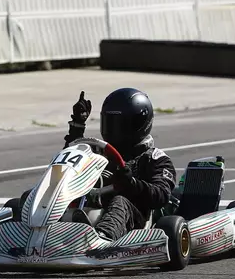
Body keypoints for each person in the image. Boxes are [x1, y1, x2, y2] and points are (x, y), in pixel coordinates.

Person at [64, 88, 176, 241]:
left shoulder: (155, 158)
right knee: (34, 196)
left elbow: (161, 195)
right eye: (110, 123)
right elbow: (68, 169)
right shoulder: (99, 153)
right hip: (92, 206)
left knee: (120, 201)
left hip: (135, 218)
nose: (114, 130)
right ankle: (35, 232)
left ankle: (102, 239)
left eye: (120, 124)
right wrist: (77, 127)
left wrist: (132, 184)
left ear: (140, 123)